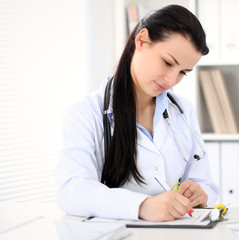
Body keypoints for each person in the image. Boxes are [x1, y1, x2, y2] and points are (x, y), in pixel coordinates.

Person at [56, 4, 218, 222]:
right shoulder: (86, 113)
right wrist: (141, 206)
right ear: (141, 40)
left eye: (183, 73)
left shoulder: (182, 110)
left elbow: (203, 181)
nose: (171, 80)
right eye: (168, 63)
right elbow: (71, 191)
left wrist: (201, 192)